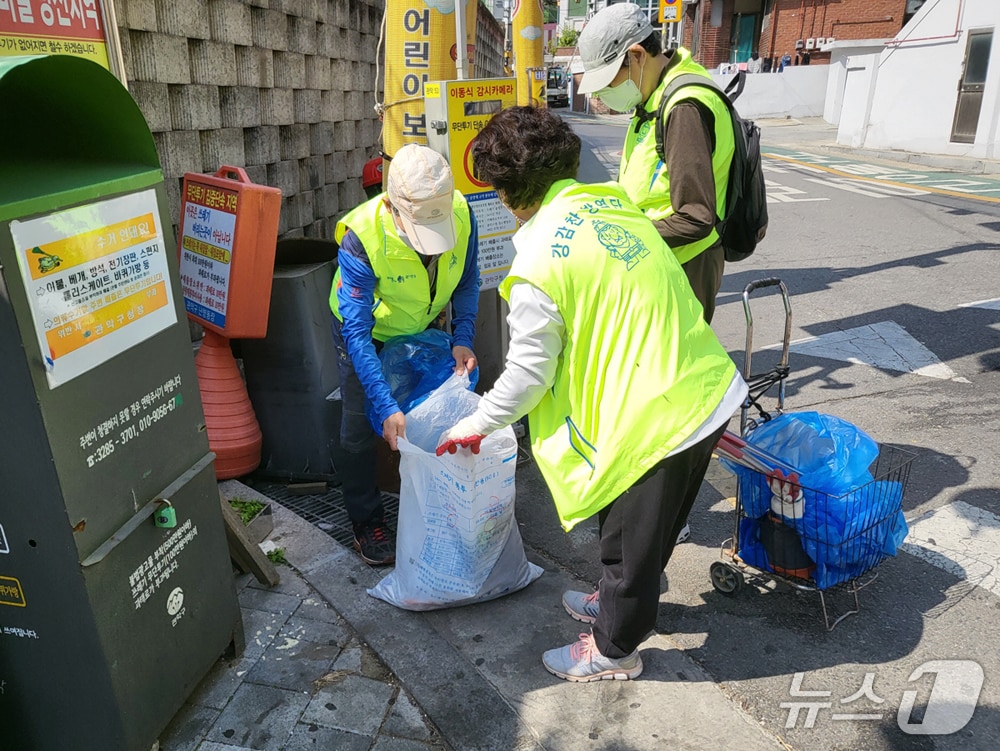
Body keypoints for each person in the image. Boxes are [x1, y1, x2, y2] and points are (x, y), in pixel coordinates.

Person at [437, 106, 748, 682]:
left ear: (510, 193)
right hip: (704, 388)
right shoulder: (613, 205)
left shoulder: (536, 261)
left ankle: (613, 649)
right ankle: (617, 604)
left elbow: (528, 372)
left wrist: (473, 423)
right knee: (647, 532)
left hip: (657, 416)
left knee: (625, 542)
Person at [330, 144, 480, 566]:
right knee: (361, 425)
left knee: (435, 415)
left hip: (425, 328)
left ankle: (438, 509)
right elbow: (356, 330)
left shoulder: (463, 215)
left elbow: (467, 281)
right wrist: (385, 402)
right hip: (368, 335)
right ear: (392, 207)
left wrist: (462, 337)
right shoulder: (362, 237)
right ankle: (366, 520)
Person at [576, 3, 733, 325]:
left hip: (685, 263)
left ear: (636, 55)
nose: (604, 94)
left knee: (674, 366)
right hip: (663, 256)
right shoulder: (654, 97)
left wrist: (620, 238)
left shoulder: (683, 106)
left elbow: (696, 217)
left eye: (608, 81)